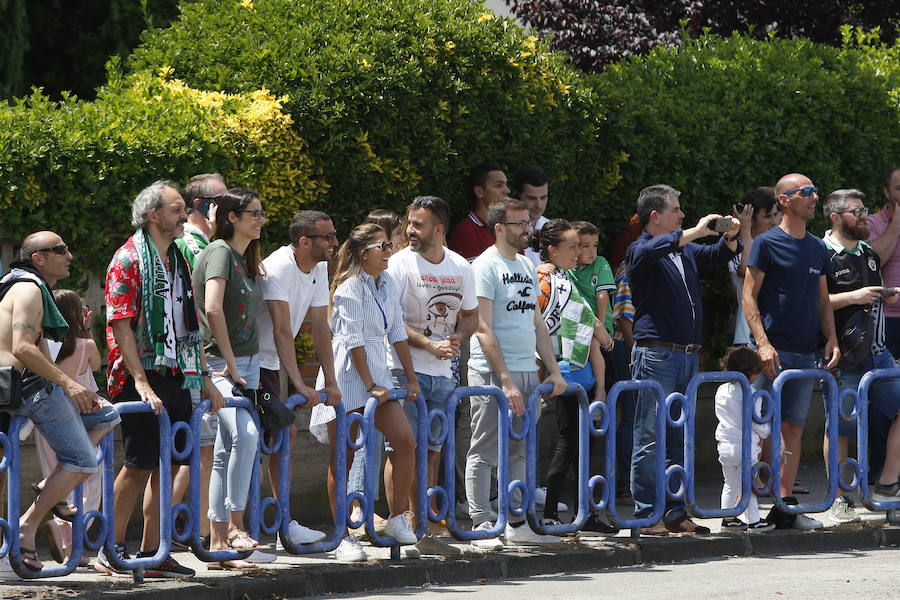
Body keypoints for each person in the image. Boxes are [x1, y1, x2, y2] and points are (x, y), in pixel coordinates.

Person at [101, 181, 224, 578]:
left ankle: (156, 551)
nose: (184, 215)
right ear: (153, 215)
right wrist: (140, 381)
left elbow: (189, 323)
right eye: (176, 209)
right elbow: (119, 325)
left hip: (177, 371)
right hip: (140, 373)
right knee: (138, 464)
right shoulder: (128, 258)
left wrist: (203, 377)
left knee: (168, 466)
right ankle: (111, 548)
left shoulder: (177, 259)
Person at [0, 232, 120, 572]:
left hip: (21, 387)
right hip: (22, 389)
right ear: (39, 258)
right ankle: (25, 528)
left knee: (106, 414)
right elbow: (21, 347)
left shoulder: (32, 287)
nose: (69, 255)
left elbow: (33, 346)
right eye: (61, 250)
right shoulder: (29, 289)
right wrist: (68, 383)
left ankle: (39, 498)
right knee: (82, 459)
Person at [627, 184, 739, 536]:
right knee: (649, 436)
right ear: (655, 216)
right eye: (676, 210)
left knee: (678, 437)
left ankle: (676, 512)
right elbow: (656, 249)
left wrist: (731, 238)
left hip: (687, 355)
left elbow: (715, 256)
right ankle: (648, 513)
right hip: (656, 354)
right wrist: (695, 232)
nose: (682, 215)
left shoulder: (684, 250)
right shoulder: (641, 249)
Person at [308, 223, 422, 562]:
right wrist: (369, 383)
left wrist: (411, 379)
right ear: (363, 254)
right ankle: (342, 536)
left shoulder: (387, 282)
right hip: (347, 376)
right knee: (341, 458)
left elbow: (398, 333)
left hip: (379, 375)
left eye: (389, 244)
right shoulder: (348, 287)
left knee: (406, 442)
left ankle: (398, 518)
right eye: (382, 246)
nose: (389, 250)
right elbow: (353, 341)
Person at [465, 198, 568, 549]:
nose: (529, 229)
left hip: (527, 370)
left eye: (528, 222)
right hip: (493, 374)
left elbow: (536, 322)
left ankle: (515, 519)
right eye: (520, 223)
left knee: (521, 450)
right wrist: (505, 380)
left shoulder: (525, 264)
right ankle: (481, 522)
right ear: (499, 228)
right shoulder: (484, 267)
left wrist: (552, 371)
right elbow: (482, 328)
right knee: (485, 450)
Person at [742, 173, 838, 531]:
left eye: (815, 191)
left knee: (794, 429)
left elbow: (822, 298)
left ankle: (784, 507)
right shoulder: (766, 243)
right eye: (806, 192)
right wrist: (762, 344)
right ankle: (744, 508)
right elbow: (748, 295)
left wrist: (832, 338)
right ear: (784, 200)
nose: (814, 197)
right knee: (754, 429)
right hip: (773, 352)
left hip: (805, 354)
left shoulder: (817, 247)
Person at [386, 196, 478, 556]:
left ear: (438, 230)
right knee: (402, 450)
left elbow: (470, 315)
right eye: (409, 222)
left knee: (432, 453)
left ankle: (421, 528)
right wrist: (428, 343)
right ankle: (400, 528)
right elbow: (390, 319)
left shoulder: (459, 266)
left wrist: (460, 335)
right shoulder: (398, 264)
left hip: (443, 374)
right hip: (402, 370)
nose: (410, 230)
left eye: (418, 224)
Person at [192, 188, 272, 568]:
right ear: (231, 218)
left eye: (260, 213)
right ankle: (236, 526)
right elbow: (211, 308)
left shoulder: (244, 256)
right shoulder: (220, 251)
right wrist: (230, 362)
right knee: (247, 436)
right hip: (220, 364)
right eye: (252, 213)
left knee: (226, 450)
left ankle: (220, 545)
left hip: (246, 362)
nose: (259, 219)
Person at [256, 210, 340, 546]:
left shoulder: (318, 267)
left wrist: (329, 381)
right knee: (277, 434)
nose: (335, 242)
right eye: (328, 237)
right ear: (305, 241)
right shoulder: (279, 267)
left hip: (270, 363)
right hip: (254, 363)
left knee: (282, 436)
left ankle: (281, 521)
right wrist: (300, 384)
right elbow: (280, 329)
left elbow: (320, 327)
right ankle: (263, 525)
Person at [531, 219, 618, 534]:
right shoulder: (554, 279)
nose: (579, 253)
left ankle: (582, 512)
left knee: (578, 443)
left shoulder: (550, 276)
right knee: (570, 442)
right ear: (553, 250)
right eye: (572, 247)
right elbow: (585, 315)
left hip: (562, 367)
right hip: (566, 368)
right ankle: (558, 513)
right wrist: (603, 336)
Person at [821, 189, 900, 523]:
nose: (864, 215)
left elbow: (871, 297)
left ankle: (887, 484)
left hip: (878, 353)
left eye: (865, 209)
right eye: (856, 211)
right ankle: (840, 499)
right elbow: (816, 302)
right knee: (840, 428)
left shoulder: (867, 252)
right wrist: (853, 296)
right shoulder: (821, 251)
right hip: (843, 355)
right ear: (836, 217)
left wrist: (886, 296)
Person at [172, 172, 228, 547]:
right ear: (201, 206)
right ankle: (202, 533)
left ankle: (182, 527)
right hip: (201, 358)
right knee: (203, 449)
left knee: (201, 449)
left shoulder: (205, 242)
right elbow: (204, 308)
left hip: (200, 358)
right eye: (221, 200)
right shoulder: (198, 246)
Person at [37, 289, 104, 566]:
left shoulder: (42, 346)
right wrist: (87, 330)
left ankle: (69, 547)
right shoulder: (84, 345)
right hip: (80, 420)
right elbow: (98, 366)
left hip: (46, 419)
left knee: (54, 478)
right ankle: (69, 537)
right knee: (89, 481)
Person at [715, 346, 774, 532]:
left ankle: (728, 518)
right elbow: (755, 422)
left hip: (724, 445)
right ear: (751, 372)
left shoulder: (722, 390)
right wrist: (766, 430)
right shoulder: (752, 393)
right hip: (745, 446)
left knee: (730, 484)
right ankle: (754, 521)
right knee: (748, 485)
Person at [729, 188, 778, 346]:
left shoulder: (779, 245)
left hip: (781, 335)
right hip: (749, 338)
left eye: (775, 215)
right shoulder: (734, 246)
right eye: (767, 216)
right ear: (751, 218)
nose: (773, 221)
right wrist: (744, 229)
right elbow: (746, 271)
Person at [866, 167, 900, 357]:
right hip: (886, 320)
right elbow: (872, 263)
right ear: (887, 192)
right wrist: (896, 225)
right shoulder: (871, 224)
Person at [448, 163, 509, 262]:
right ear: (479, 191)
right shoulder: (465, 231)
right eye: (498, 185)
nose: (507, 190)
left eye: (506, 185)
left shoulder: (509, 226)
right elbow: (476, 274)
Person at [174, 173, 227, 269]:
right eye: (221, 200)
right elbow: (218, 279)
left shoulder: (202, 242)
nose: (228, 207)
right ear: (199, 204)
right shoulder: (192, 244)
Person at [513, 166, 550, 266]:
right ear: (517, 195)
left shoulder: (551, 227)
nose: (539, 205)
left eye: (543, 198)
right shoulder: (506, 231)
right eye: (531, 198)